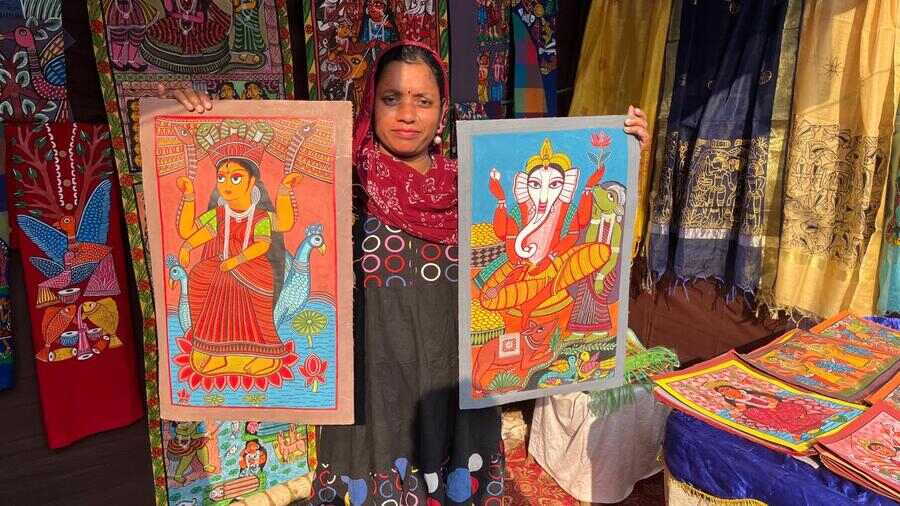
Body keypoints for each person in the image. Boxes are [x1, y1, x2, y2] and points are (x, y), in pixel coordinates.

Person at [160, 41, 649, 505]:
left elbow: (552, 231)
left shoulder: (470, 183)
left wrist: (627, 152)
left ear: (442, 112)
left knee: (454, 482)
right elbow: (263, 211)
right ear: (370, 104)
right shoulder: (340, 181)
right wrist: (188, 112)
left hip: (451, 380)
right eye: (391, 98)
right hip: (374, 388)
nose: (408, 114)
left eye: (423, 100)